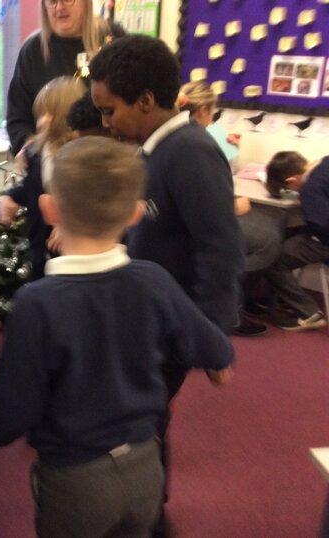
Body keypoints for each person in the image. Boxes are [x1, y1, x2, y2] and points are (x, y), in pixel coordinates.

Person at [0, 137, 234, 538]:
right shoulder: (155, 280)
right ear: (136, 214)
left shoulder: (36, 302)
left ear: (49, 208)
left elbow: (14, 410)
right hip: (146, 469)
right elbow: (215, 348)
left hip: (75, 481)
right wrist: (217, 362)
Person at [90, 35, 244, 536]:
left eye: (109, 111)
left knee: (144, 423)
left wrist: (212, 340)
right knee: (142, 420)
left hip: (174, 326)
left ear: (145, 101)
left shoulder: (191, 152)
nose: (105, 122)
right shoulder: (153, 148)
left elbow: (220, 249)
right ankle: (145, 509)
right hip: (150, 318)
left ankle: (149, 517)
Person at [179, 81, 282, 336]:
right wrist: (235, 206)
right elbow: (203, 200)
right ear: (203, 110)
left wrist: (232, 150)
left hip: (193, 224)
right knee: (267, 238)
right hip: (201, 227)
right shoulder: (199, 142)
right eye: (212, 112)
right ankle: (232, 310)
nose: (212, 117)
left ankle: (241, 301)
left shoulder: (182, 138)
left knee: (262, 231)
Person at [6, 0, 123, 155]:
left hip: (107, 157)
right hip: (52, 160)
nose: (60, 7)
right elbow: (17, 119)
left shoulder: (113, 39)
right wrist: (29, 148)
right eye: (53, 1)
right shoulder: (32, 51)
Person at [0, 77, 85, 279]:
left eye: (49, 113)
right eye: (40, 114)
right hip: (39, 246)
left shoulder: (80, 155)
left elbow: (86, 201)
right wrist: (9, 197)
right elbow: (32, 188)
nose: (41, 120)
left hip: (72, 250)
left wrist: (67, 225)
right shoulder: (34, 152)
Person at [262, 151, 329, 331]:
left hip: (324, 242)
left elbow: (320, 225)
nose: (291, 191)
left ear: (291, 180)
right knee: (289, 235)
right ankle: (282, 297)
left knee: (272, 258)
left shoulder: (311, 187)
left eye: (289, 188)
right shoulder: (325, 162)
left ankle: (308, 312)